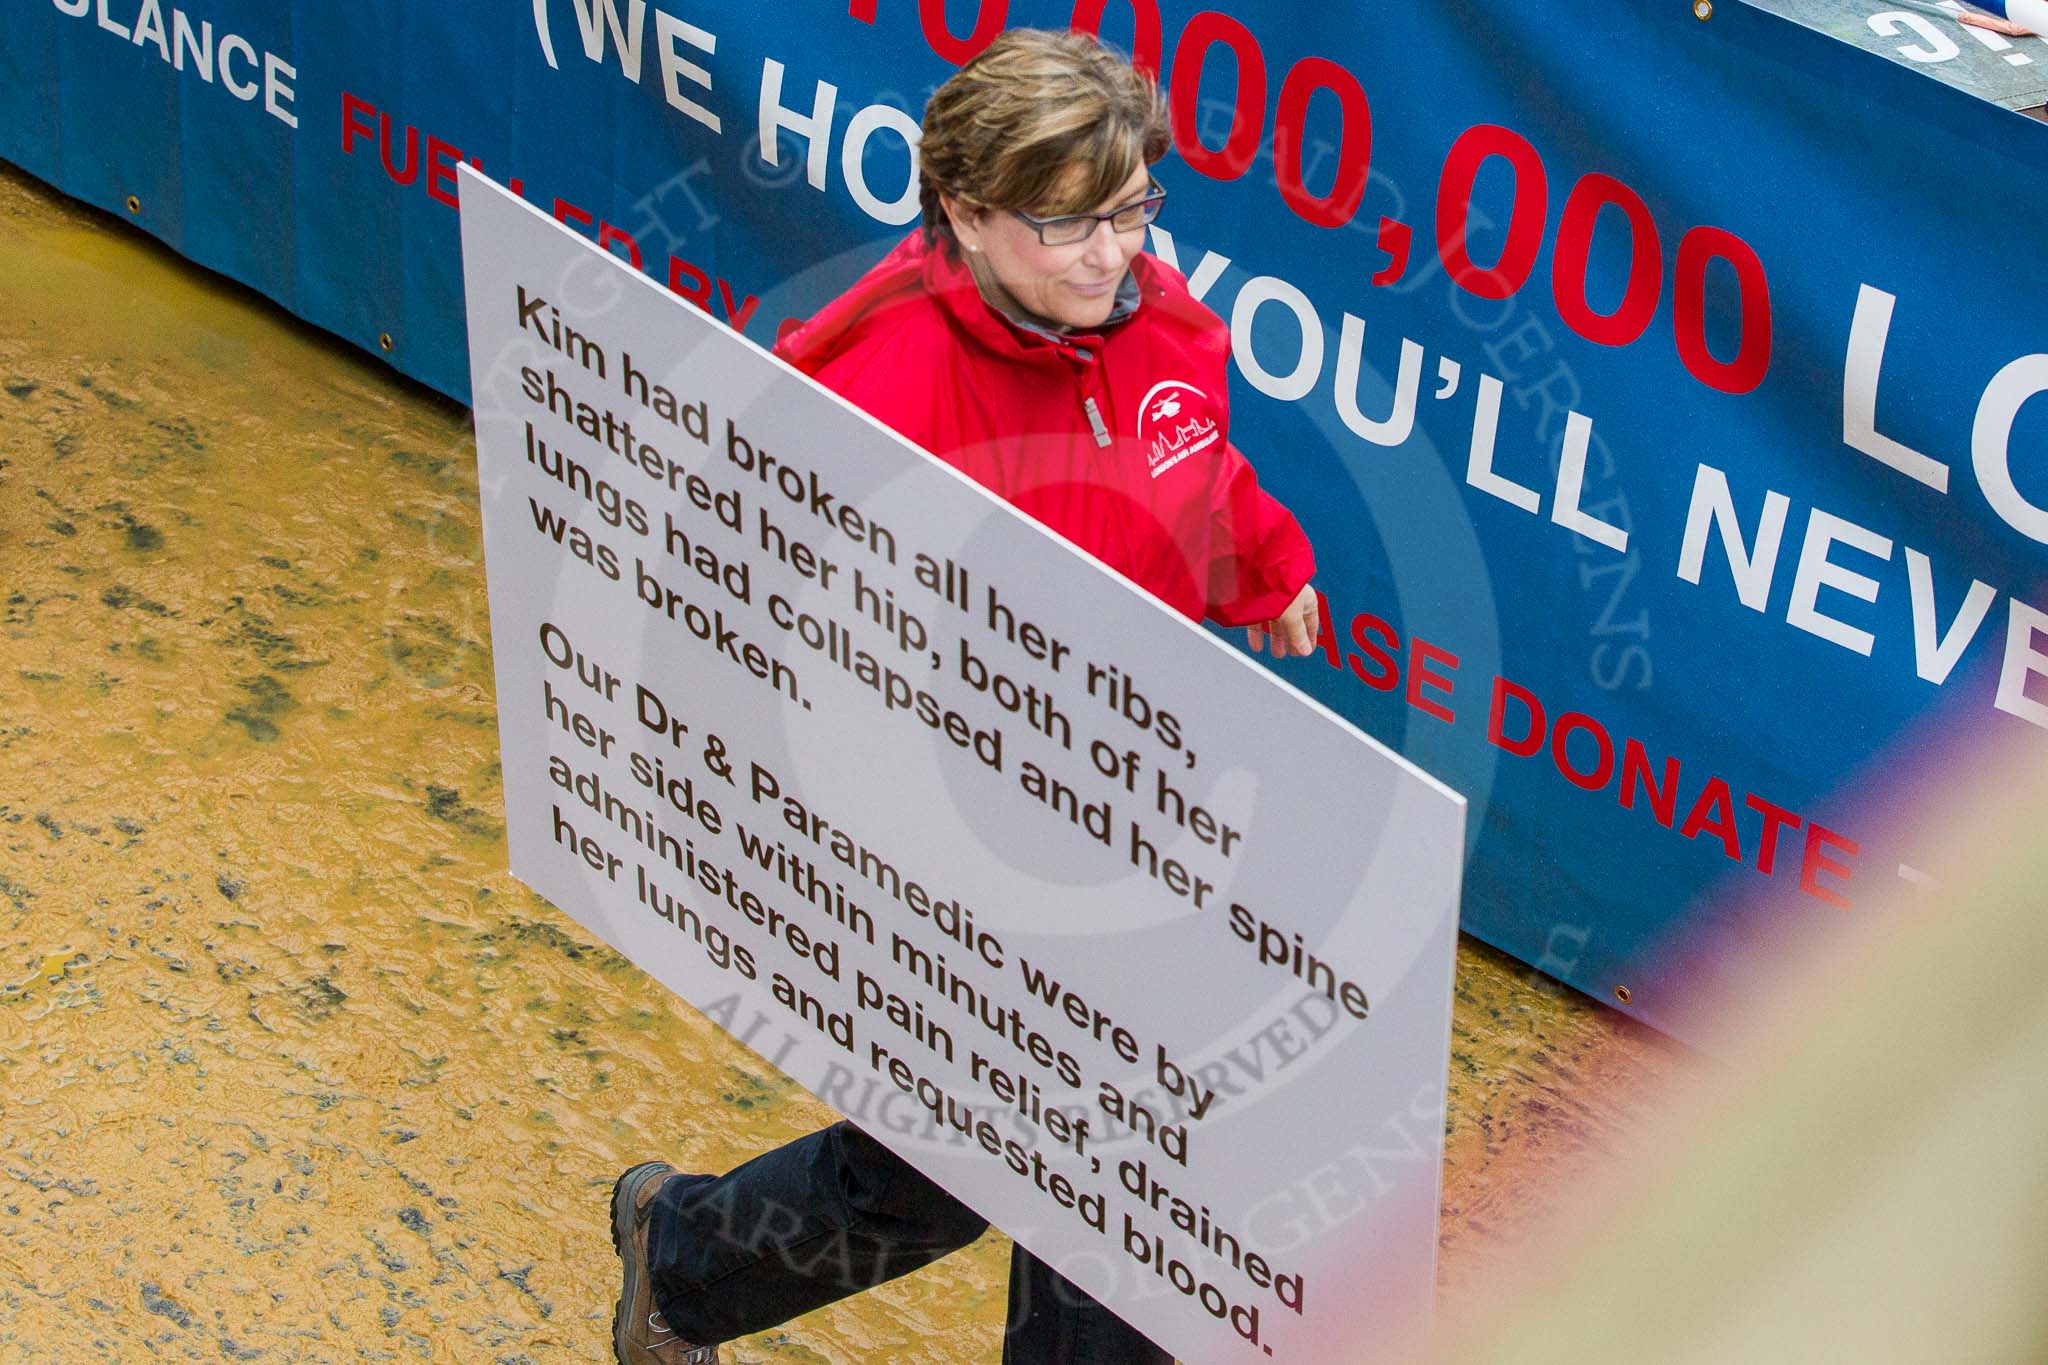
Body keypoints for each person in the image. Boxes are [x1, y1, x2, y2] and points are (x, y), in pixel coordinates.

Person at [609, 28, 1319, 1365]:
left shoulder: (1156, 318)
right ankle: (684, 1261)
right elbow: (761, 616)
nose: (1110, 256)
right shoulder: (874, 386)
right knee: (1062, 1171)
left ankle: (684, 1260)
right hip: (955, 844)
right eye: (1067, 224)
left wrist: (1267, 561)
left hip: (1128, 801)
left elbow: (1190, 468)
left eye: (1132, 211)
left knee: (1038, 1174)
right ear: (965, 211)